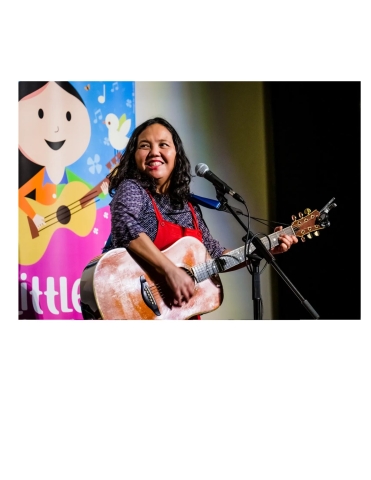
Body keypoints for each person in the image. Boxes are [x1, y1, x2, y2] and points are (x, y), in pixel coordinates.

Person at [107, 117, 298, 315]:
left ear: (176, 155)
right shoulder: (133, 189)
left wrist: (267, 248)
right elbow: (124, 224)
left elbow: (216, 256)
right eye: (145, 146)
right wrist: (170, 271)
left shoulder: (189, 208)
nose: (154, 152)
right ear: (134, 155)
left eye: (163, 145)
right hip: (129, 306)